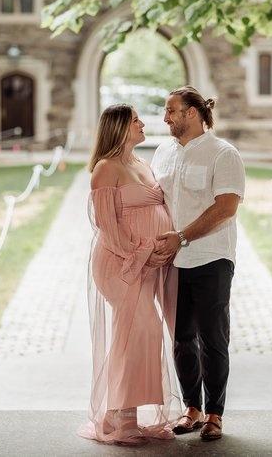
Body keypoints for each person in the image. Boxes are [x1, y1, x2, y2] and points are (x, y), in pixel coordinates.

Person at [78, 104, 180, 446]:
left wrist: (162, 247)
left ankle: (119, 412)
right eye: (135, 119)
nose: (142, 123)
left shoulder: (141, 164)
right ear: (120, 127)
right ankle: (122, 417)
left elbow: (159, 209)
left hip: (147, 264)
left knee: (139, 333)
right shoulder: (105, 169)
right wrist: (141, 253)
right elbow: (107, 227)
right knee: (141, 329)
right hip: (119, 264)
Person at [151, 86, 245, 442]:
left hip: (211, 257)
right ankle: (191, 407)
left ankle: (214, 414)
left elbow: (226, 208)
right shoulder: (162, 153)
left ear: (192, 113)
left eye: (171, 111)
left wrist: (183, 236)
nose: (165, 118)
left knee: (212, 338)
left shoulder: (224, 154)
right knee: (181, 339)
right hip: (172, 262)